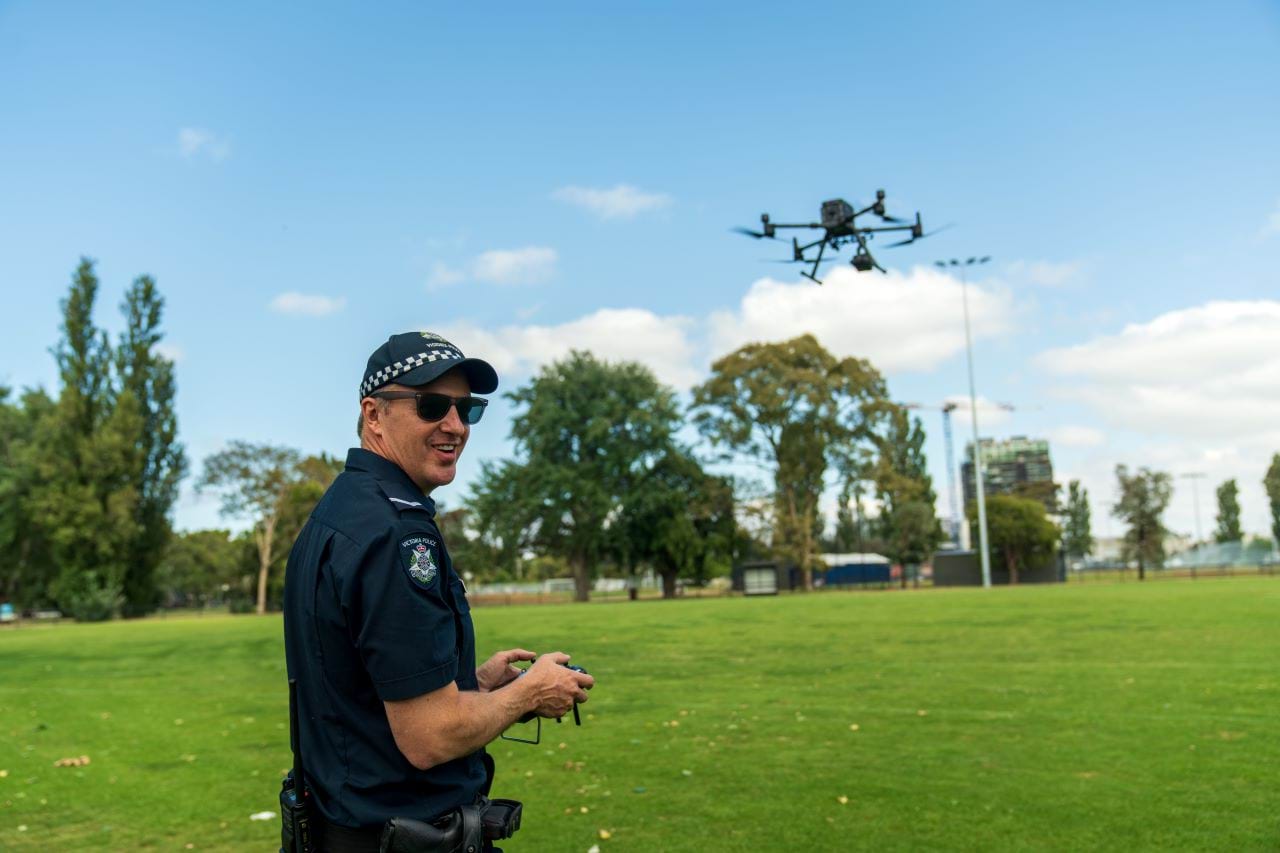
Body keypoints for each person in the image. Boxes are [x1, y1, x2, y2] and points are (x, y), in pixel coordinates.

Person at [283, 331, 594, 852]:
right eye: (431, 406)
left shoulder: (341, 511)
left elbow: (365, 696)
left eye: (466, 409)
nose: (454, 426)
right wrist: (529, 693)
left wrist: (471, 683)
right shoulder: (396, 531)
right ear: (374, 414)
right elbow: (430, 737)